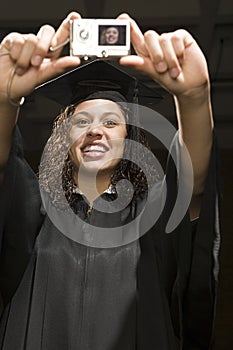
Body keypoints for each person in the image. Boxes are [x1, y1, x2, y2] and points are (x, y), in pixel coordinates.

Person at [0, 11, 221, 350]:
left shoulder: (150, 222)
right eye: (82, 120)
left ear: (128, 139)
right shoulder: (32, 213)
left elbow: (193, 183)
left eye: (111, 123)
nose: (95, 131)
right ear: (64, 136)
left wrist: (194, 99)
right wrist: (4, 101)